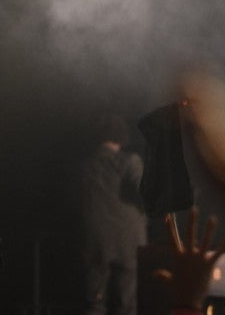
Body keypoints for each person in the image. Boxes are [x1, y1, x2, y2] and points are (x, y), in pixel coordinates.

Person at [79, 114, 147, 315]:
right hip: (128, 242)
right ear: (122, 137)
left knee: (94, 304)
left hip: (94, 241)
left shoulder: (85, 166)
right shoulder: (130, 161)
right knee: (126, 305)